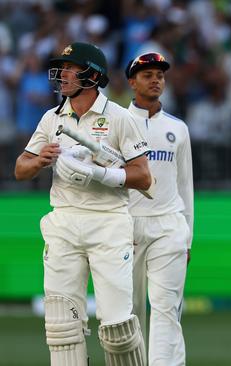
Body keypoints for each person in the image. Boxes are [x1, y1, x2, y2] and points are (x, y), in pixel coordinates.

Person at [14, 42, 151, 365]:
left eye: (69, 67)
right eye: (60, 67)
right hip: (63, 222)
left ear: (91, 74)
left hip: (108, 223)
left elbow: (143, 176)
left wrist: (100, 174)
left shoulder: (119, 117)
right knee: (62, 327)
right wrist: (39, 161)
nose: (61, 74)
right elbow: (21, 167)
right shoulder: (52, 119)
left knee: (118, 329)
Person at [125, 52, 194, 365]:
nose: (155, 80)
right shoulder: (117, 123)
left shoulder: (177, 128)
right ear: (132, 82)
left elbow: (185, 186)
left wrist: (188, 236)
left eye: (160, 75)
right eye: (147, 75)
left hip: (169, 224)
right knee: (129, 312)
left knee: (166, 308)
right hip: (126, 227)